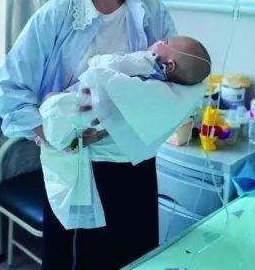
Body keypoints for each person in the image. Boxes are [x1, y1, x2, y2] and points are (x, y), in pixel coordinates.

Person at [0, 0, 178, 269]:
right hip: (76, 164)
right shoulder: (55, 16)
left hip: (135, 161)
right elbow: (10, 91)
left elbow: (173, 80)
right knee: (76, 260)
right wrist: (56, 133)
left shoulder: (151, 12)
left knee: (135, 255)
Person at [39, 36, 211, 232]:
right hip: (91, 150)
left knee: (54, 103)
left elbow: (103, 67)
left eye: (166, 42)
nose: (160, 40)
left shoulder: (156, 84)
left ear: (170, 65)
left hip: (111, 167)